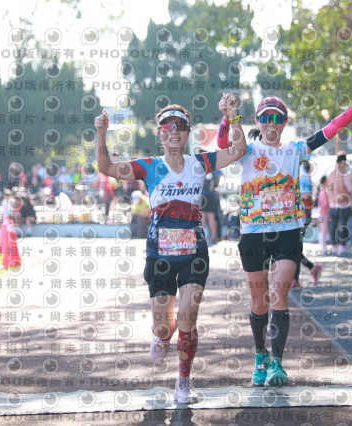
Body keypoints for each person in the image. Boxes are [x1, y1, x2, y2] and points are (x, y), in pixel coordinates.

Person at [229, 73, 352, 387]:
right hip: (253, 234)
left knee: (279, 296)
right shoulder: (247, 151)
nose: (272, 124)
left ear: (285, 123)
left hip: (287, 232)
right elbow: (223, 144)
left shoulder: (296, 149)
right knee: (258, 303)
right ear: (258, 121)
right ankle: (260, 355)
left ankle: (277, 364)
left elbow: (330, 129)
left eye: (278, 119)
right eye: (266, 118)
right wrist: (229, 117)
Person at [95, 94, 247, 404]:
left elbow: (239, 151)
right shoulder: (149, 166)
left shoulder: (199, 163)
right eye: (167, 127)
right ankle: (161, 336)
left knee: (188, 318)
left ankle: (183, 383)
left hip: (194, 254)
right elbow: (106, 166)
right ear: (160, 134)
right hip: (160, 256)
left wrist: (232, 115)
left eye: (180, 126)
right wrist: (101, 132)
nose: (173, 131)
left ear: (188, 133)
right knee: (165, 327)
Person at [291, 160, 321, 288]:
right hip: (293, 216)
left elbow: (306, 196)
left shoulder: (302, 172)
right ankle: (312, 268)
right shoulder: (296, 169)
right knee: (292, 248)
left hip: (300, 216)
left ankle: (295, 279)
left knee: (294, 248)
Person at [326, 153, 352, 255]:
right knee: (343, 225)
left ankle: (333, 246)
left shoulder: (330, 172)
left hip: (332, 204)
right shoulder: (345, 173)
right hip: (344, 203)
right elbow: (350, 188)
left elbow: (327, 188)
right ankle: (342, 246)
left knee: (333, 225)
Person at [316, 175, 330, 253]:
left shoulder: (322, 191)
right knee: (324, 231)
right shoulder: (323, 191)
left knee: (323, 230)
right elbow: (325, 204)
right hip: (324, 213)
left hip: (322, 213)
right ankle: (323, 247)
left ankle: (324, 247)